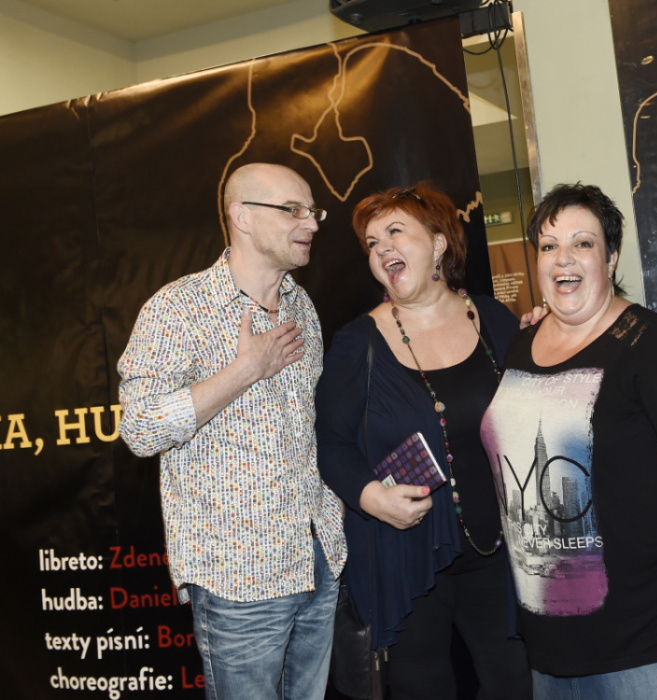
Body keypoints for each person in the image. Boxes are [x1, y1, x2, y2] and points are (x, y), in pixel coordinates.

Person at [481, 183, 657, 699]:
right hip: (552, 648)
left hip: (653, 640)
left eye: (583, 243)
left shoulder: (654, 347)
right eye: (549, 245)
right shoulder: (519, 347)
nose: (563, 258)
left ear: (611, 256)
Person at [118, 162, 346, 700]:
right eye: (292, 210)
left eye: (312, 210)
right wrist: (246, 369)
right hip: (239, 578)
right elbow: (140, 429)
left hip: (317, 557)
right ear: (241, 216)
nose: (311, 222)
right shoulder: (178, 309)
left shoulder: (301, 306)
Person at [315, 182, 532, 700]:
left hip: (499, 548)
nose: (381, 248)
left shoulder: (494, 320)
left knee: (516, 684)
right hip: (403, 552)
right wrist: (372, 497)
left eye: (395, 231)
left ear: (438, 243)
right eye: (372, 242)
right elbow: (330, 444)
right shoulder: (357, 343)